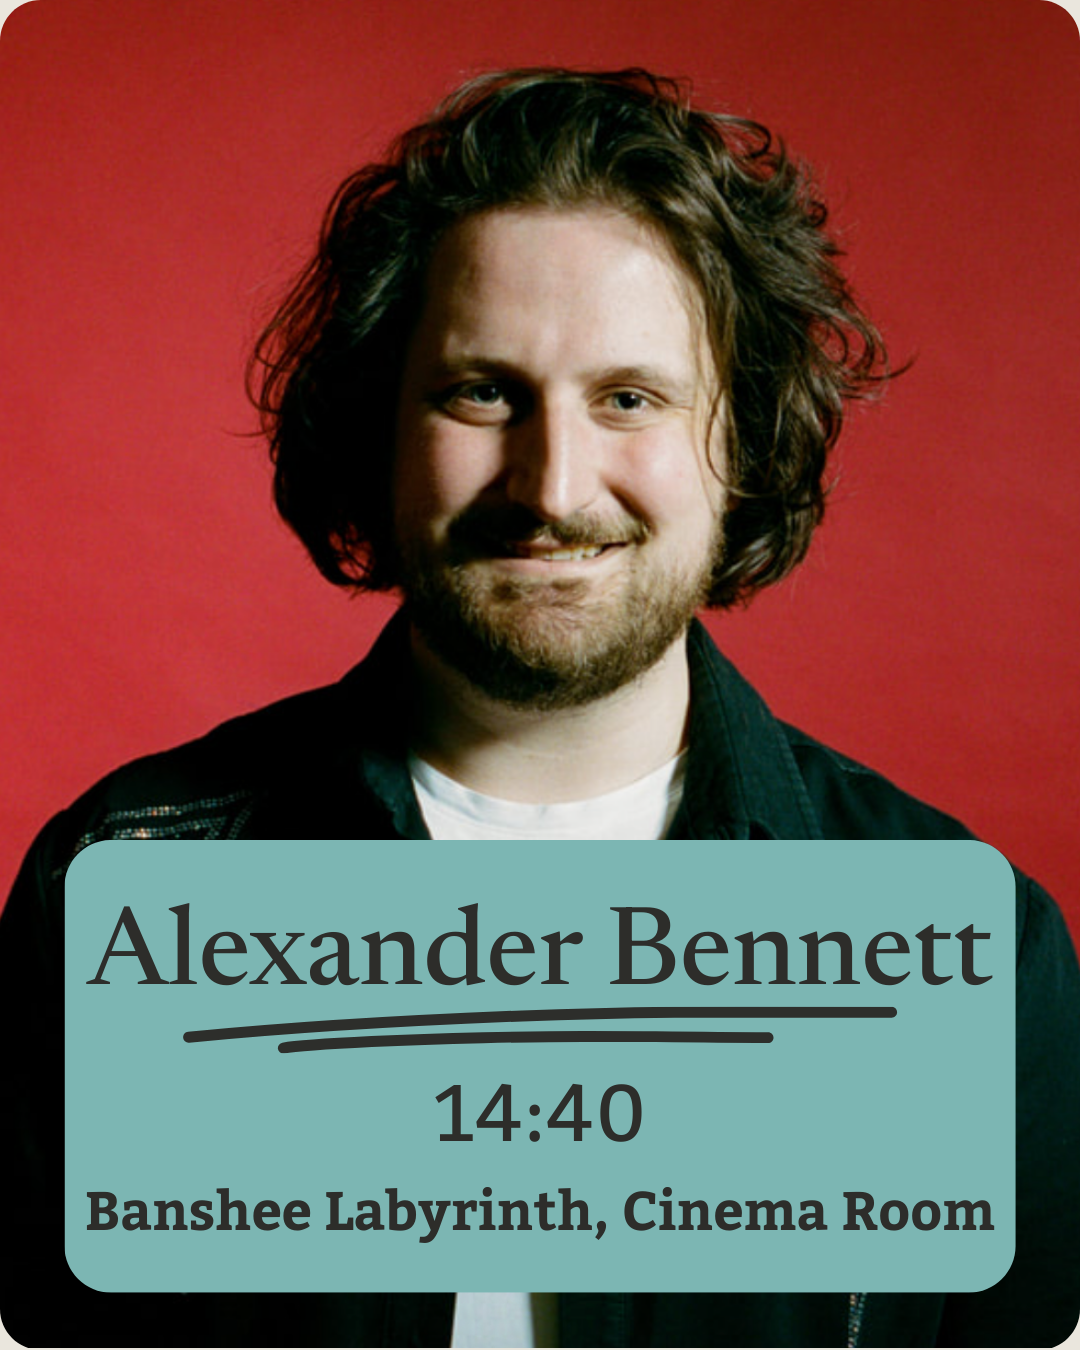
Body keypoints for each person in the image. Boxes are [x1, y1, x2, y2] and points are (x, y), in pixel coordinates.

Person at [1, 68, 1076, 1350]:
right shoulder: (121, 893)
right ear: (381, 429)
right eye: (483, 391)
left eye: (629, 398)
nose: (552, 486)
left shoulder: (966, 956)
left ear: (740, 446)